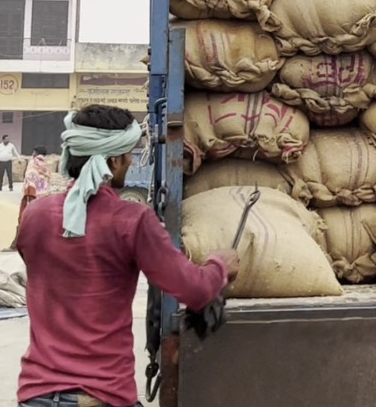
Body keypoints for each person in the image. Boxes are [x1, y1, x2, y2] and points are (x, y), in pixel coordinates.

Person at [16, 105, 238, 407]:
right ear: (115, 160)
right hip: (102, 395)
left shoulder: (35, 215)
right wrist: (220, 265)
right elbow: (194, 290)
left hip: (37, 395)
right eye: (129, 154)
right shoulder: (131, 220)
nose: (131, 161)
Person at [19, 146, 59, 223]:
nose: (32, 154)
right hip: (44, 192)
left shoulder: (33, 162)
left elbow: (29, 175)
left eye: (34, 152)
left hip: (32, 190)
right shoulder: (46, 164)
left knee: (31, 211)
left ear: (37, 153)